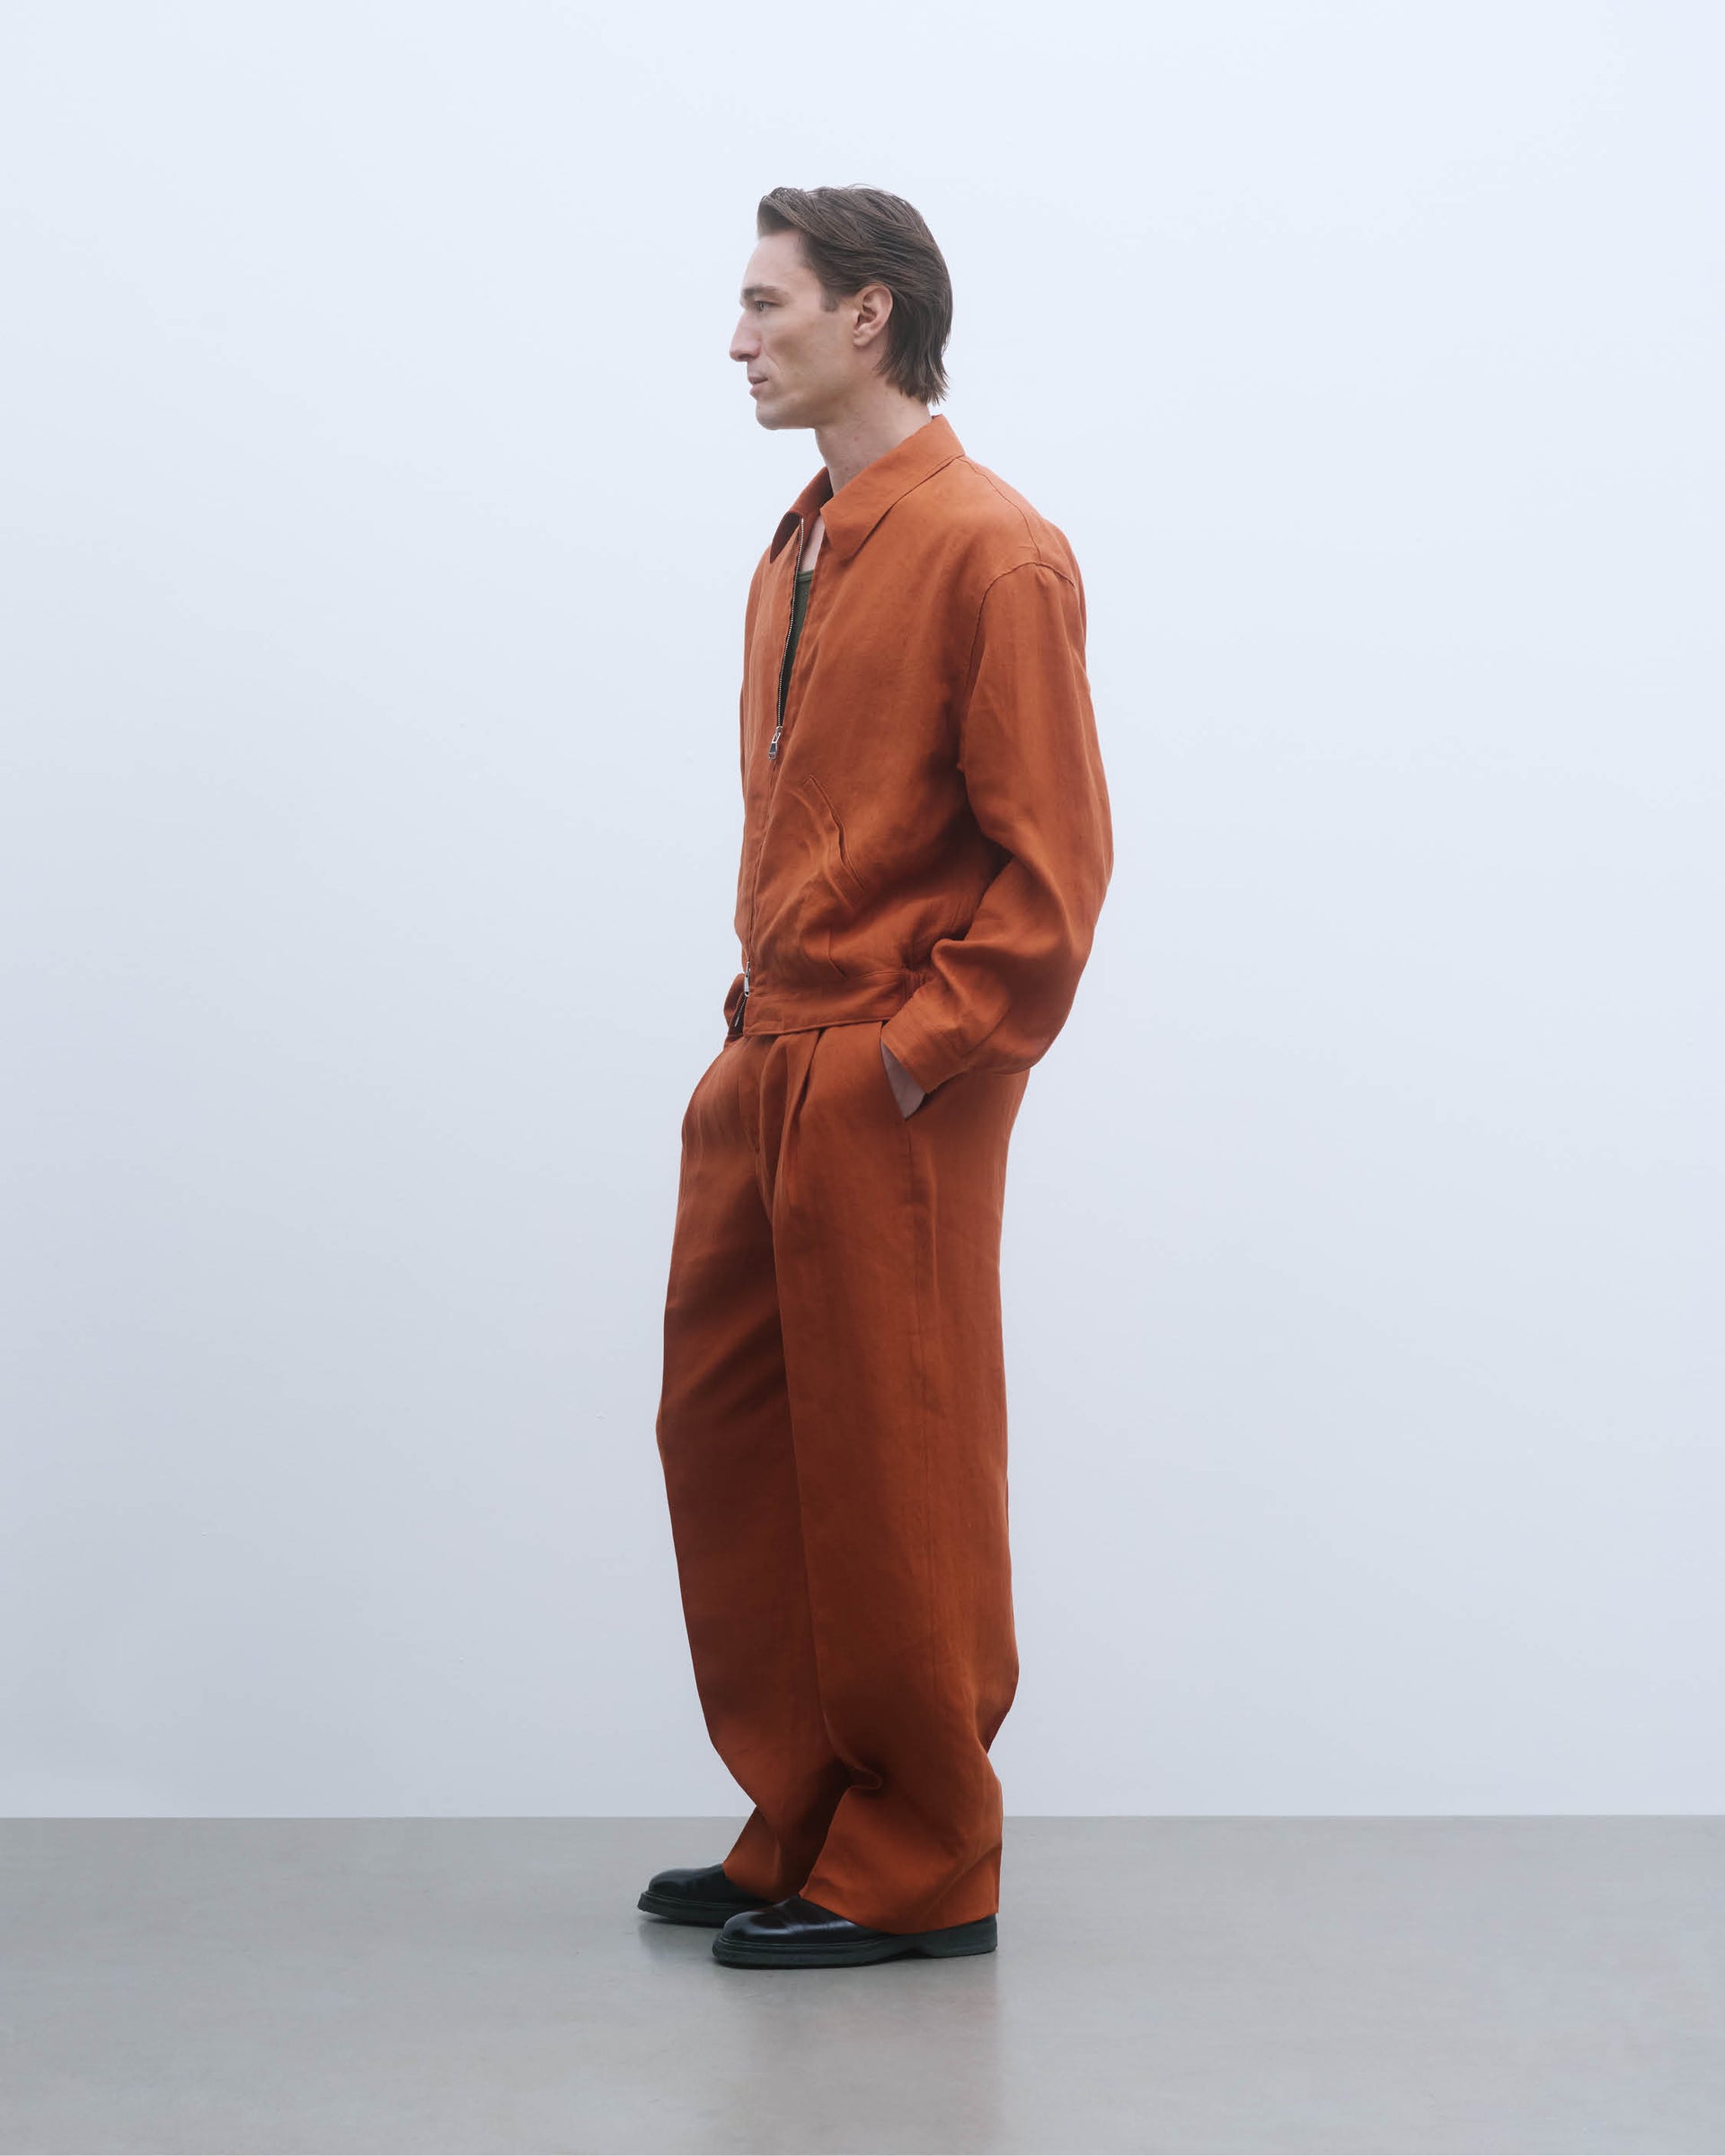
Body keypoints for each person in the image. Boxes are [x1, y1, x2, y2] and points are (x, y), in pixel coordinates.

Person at [641, 184, 1113, 1971]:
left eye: (768, 304)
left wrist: (914, 1059)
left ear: (873, 313)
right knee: (736, 1443)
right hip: (767, 1058)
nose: (739, 340)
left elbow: (1054, 873)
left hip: (889, 1078)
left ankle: (922, 1855)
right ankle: (807, 1815)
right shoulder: (798, 544)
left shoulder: (995, 549)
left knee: (893, 1460)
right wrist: (751, 1057)